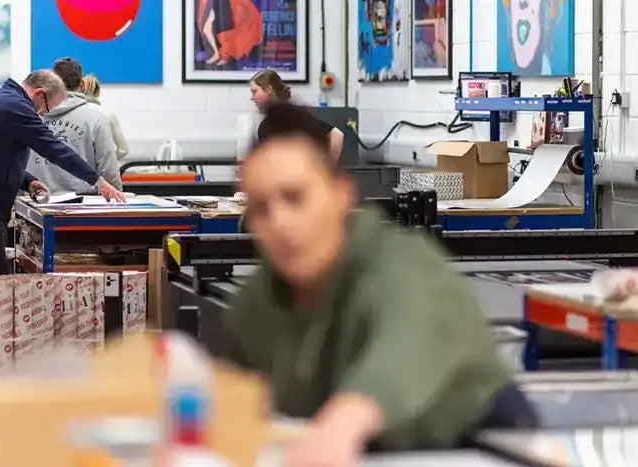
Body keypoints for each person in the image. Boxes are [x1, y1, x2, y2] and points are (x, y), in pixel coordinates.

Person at [221, 104, 537, 465]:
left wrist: (342, 424)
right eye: (260, 207)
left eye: (295, 197)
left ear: (341, 195)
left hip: (479, 444)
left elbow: (403, 348)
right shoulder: (256, 305)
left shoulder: (403, 265)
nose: (279, 221)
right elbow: (236, 401)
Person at [0, 70, 124, 278]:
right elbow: (54, 148)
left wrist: (28, 181)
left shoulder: (1, 100)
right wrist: (98, 181)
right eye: (46, 109)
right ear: (39, 93)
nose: (41, 114)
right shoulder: (16, 107)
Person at [28, 58, 122, 193]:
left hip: (38, 199)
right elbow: (108, 168)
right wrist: (117, 197)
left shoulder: (32, 113)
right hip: (83, 205)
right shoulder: (96, 115)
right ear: (83, 84)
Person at [249, 69, 344, 163]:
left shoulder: (294, 117)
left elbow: (336, 135)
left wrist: (327, 172)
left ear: (268, 90)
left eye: (254, 91)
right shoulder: (266, 125)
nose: (252, 97)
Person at [81, 73, 129, 160]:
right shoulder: (108, 115)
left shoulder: (70, 113)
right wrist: (107, 161)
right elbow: (123, 150)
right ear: (99, 92)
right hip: (102, 170)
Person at [197, 0, 262, 65]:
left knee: (228, 30)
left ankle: (223, 55)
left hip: (229, 5)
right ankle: (217, 54)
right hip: (219, 3)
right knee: (207, 29)